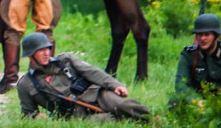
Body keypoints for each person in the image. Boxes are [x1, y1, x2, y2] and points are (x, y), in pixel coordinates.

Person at [16, 32, 150, 121]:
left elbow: (92, 71)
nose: (46, 53)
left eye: (48, 48)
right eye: (41, 50)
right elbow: (28, 113)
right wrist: (36, 117)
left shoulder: (65, 60)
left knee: (123, 106)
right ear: (30, 55)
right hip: (76, 114)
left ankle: (155, 120)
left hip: (97, 95)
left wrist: (115, 84)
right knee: (110, 121)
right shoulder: (25, 84)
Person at [174, 13, 221, 102]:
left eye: (207, 34)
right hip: (196, 102)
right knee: (174, 101)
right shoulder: (189, 54)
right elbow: (181, 85)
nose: (203, 38)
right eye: (199, 34)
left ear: (217, 36)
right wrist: (197, 102)